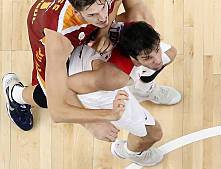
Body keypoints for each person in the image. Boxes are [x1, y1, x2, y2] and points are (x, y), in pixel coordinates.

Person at [2, 0, 170, 142]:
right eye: (93, 14)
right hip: (46, 29)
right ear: (76, 10)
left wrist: (103, 33)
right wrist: (96, 121)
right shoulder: (58, 39)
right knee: (50, 95)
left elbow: (133, 8)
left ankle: (142, 88)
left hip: (87, 30)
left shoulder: (100, 15)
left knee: (141, 31)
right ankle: (16, 95)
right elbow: (58, 111)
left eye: (103, 5)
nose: (103, 17)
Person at [64, 21, 180, 165]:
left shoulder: (136, 21)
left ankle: (143, 91)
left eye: (157, 49)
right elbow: (65, 87)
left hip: (101, 66)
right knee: (153, 133)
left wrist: (105, 30)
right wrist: (91, 124)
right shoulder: (114, 78)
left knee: (170, 53)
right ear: (132, 57)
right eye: (147, 58)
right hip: (98, 93)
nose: (157, 60)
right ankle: (130, 152)